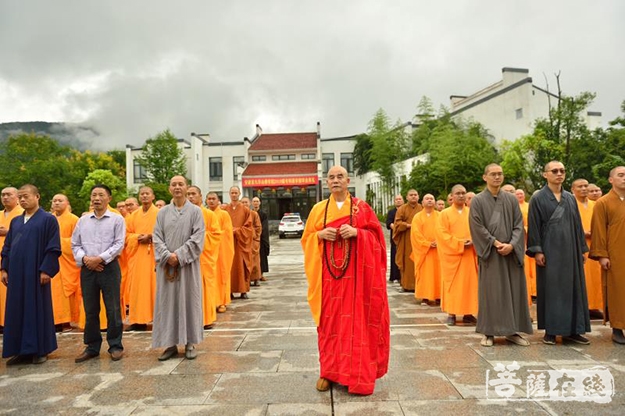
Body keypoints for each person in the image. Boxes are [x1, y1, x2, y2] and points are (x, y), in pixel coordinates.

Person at [301, 166, 389, 395]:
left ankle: (357, 375)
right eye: (331, 177)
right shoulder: (318, 209)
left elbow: (378, 240)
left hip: (357, 281)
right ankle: (328, 373)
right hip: (328, 281)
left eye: (340, 176)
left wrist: (358, 233)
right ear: (326, 182)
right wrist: (319, 236)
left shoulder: (362, 208)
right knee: (329, 326)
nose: (335, 180)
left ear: (348, 181)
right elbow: (306, 239)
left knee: (356, 324)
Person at [526, 161, 590, 345]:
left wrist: (582, 249)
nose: (559, 174)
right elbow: (534, 225)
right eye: (554, 171)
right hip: (550, 251)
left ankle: (574, 330)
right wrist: (537, 250)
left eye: (562, 170)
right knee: (552, 290)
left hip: (571, 250)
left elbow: (577, 225)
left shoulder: (570, 198)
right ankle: (551, 331)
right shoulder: (538, 198)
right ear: (545, 174)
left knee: (573, 289)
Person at [469, 164, 533, 347]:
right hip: (491, 253)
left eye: (500, 174)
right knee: (492, 293)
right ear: (485, 177)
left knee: (514, 292)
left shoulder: (511, 200)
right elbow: (477, 227)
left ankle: (512, 331)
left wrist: (512, 245)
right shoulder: (478, 201)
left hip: (511, 253)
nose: (497, 177)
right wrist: (496, 243)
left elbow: (518, 225)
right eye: (493, 174)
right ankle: (489, 332)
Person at [1, 184, 61, 365]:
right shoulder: (16, 221)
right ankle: (20, 350)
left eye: (26, 196)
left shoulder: (48, 219)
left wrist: (46, 270)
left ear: (37, 197)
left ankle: (40, 350)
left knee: (37, 309)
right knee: (16, 310)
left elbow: (53, 247)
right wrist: (4, 268)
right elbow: (7, 247)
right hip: (16, 274)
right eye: (20, 197)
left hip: (36, 273)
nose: (22, 200)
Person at [152, 176, 205, 361]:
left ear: (186, 187)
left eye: (181, 184)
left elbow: (198, 238)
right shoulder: (162, 212)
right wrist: (168, 256)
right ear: (169, 189)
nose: (177, 187)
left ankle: (190, 342)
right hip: (167, 268)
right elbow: (156, 237)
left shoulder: (196, 212)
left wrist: (179, 256)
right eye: (173, 184)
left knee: (189, 302)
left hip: (188, 267)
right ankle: (170, 344)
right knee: (167, 304)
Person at [72, 184, 126, 362]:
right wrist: (86, 259)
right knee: (91, 309)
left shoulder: (117, 220)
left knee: (113, 308)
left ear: (109, 198)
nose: (96, 198)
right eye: (94, 195)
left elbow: (119, 244)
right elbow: (75, 244)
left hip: (109, 267)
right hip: (87, 268)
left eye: (101, 195)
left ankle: (115, 345)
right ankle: (92, 346)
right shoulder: (83, 220)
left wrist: (100, 259)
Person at [590, 166, 625, 344]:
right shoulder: (603, 202)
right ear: (611, 180)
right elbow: (598, 231)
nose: (624, 178)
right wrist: (602, 255)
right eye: (621, 175)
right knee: (617, 289)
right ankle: (617, 328)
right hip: (616, 255)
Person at [436, 184, 478, 326]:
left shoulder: (472, 212)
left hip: (469, 255)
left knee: (470, 285)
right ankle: (451, 313)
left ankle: (468, 313)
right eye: (458, 193)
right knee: (452, 285)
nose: (461, 195)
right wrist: (459, 243)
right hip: (452, 256)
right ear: (452, 197)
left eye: (463, 193)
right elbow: (441, 235)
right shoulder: (444, 214)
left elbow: (479, 230)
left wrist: (474, 241)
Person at [124, 186, 159, 331]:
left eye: (147, 194)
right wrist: (137, 237)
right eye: (142, 194)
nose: (144, 196)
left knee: (155, 287)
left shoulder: (160, 214)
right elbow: (126, 235)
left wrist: (151, 237)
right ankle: (138, 320)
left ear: (153, 196)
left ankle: (159, 319)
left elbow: (167, 232)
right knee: (138, 289)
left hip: (155, 256)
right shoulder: (133, 216)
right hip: (138, 256)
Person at [187, 185, 221, 330]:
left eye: (193, 194)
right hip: (187, 258)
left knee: (204, 288)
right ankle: (189, 320)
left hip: (204, 258)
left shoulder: (209, 214)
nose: (190, 197)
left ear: (200, 197)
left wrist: (197, 238)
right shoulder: (182, 214)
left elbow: (216, 235)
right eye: (188, 194)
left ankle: (206, 319)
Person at [571, 178, 604, 319]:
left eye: (586, 186)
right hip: (578, 244)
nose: (584, 189)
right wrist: (581, 232)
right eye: (580, 186)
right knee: (583, 276)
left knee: (596, 276)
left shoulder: (596, 205)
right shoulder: (570, 204)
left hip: (596, 244)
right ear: (573, 189)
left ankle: (596, 306)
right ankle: (584, 306)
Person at [51, 194, 80, 331]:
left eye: (60, 201)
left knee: (64, 292)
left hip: (67, 262)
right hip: (51, 260)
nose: (57, 203)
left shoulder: (74, 219)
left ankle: (66, 320)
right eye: (55, 201)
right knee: (53, 292)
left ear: (67, 203)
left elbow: (77, 241)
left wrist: (57, 243)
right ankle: (55, 319)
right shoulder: (49, 219)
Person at [410, 194, 441, 306]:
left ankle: (439, 296)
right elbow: (415, 234)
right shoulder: (417, 217)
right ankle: (425, 297)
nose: (429, 200)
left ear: (435, 202)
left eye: (431, 199)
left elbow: (444, 231)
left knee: (439, 273)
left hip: (438, 250)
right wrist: (427, 244)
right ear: (422, 203)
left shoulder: (440, 216)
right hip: (424, 252)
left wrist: (439, 242)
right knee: (424, 274)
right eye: (427, 199)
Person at [0, 187, 24, 331]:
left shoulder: (23, 214)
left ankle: (10, 323)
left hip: (14, 260)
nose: (5, 197)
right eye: (3, 195)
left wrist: (7, 232)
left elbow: (28, 232)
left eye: (9, 194)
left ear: (17, 197)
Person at [207, 192, 234, 313]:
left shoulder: (224, 214)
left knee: (222, 275)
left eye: (214, 199)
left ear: (218, 201)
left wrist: (213, 237)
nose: (211, 201)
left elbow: (227, 233)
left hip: (221, 250)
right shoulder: (203, 214)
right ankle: (211, 302)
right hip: (207, 250)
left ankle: (222, 301)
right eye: (209, 199)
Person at [225, 186, 253, 299]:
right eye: (232, 192)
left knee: (241, 266)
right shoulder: (225, 209)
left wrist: (238, 230)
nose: (234, 195)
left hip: (241, 243)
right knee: (229, 267)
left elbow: (249, 227)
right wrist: (228, 231)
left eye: (236, 192)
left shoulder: (246, 210)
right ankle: (229, 291)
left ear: (239, 193)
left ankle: (243, 290)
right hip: (229, 243)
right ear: (229, 194)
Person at [393, 189, 422, 291]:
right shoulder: (402, 209)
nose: (413, 196)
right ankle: (406, 285)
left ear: (418, 196)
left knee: (419, 262)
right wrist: (407, 225)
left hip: (420, 239)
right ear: (407, 197)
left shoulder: (422, 208)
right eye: (411, 195)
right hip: (406, 238)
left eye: (415, 195)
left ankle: (419, 286)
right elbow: (397, 223)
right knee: (406, 261)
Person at [515, 188, 536, 301]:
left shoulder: (529, 206)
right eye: (517, 194)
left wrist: (527, 230)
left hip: (529, 240)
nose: (519, 195)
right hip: (518, 242)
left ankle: (534, 292)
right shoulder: (514, 206)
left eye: (521, 193)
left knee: (532, 270)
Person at [241, 197, 262, 287]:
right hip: (242, 240)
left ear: (249, 203)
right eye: (243, 202)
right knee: (244, 261)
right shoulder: (240, 214)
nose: (244, 204)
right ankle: (247, 279)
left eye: (246, 202)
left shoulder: (254, 214)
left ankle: (256, 278)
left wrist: (252, 235)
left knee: (255, 261)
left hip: (253, 240)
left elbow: (258, 227)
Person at [385, 194, 404, 283]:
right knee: (394, 256)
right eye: (397, 199)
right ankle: (395, 276)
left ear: (403, 200)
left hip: (405, 236)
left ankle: (404, 276)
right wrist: (397, 228)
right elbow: (389, 223)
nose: (398, 201)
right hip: (395, 236)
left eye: (400, 199)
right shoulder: (391, 212)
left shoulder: (405, 210)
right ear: (394, 201)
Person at [252, 196, 270, 282]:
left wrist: (259, 234)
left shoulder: (263, 214)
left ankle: (261, 274)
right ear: (252, 203)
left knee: (261, 257)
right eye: (254, 201)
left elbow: (264, 227)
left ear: (260, 203)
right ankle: (254, 274)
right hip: (252, 238)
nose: (255, 203)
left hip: (260, 238)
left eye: (257, 201)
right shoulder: (250, 213)